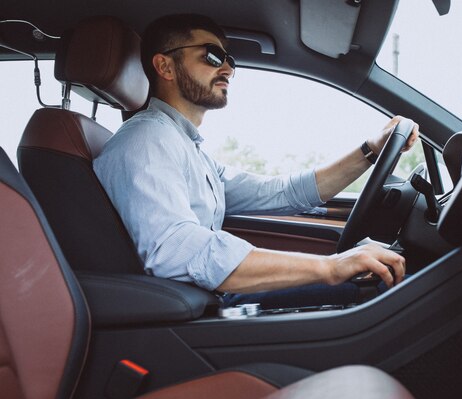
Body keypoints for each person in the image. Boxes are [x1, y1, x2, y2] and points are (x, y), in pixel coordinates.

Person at [94, 14, 419, 308]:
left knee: (365, 291)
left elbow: (281, 192)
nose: (229, 69)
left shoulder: (186, 148)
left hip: (206, 299)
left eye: (229, 59)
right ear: (165, 67)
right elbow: (177, 250)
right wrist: (330, 268)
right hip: (184, 317)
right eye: (212, 55)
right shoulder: (146, 141)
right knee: (375, 298)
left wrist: (370, 151)